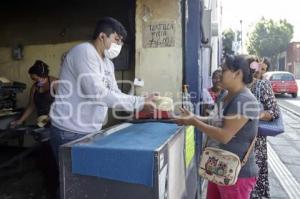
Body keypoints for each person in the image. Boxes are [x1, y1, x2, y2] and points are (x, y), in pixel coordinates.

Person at [49, 17, 155, 162]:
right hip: (69, 131)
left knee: (84, 178)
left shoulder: (108, 64)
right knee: (72, 180)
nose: (119, 45)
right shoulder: (85, 52)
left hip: (90, 130)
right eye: (116, 39)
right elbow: (97, 94)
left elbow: (114, 93)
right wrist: (139, 103)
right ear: (102, 36)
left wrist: (141, 101)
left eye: (121, 42)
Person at [175, 55, 259, 199]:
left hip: (236, 174)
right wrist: (192, 118)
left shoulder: (244, 100)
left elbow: (224, 135)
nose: (219, 75)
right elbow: (214, 121)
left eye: (224, 70)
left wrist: (195, 122)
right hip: (218, 166)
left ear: (238, 74)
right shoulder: (226, 95)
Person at [248, 56, 280, 199]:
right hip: (238, 139)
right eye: (257, 67)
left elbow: (274, 112)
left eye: (263, 70)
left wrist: (258, 114)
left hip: (256, 140)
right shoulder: (239, 83)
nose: (258, 71)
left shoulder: (263, 85)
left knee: (254, 176)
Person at [10, 60, 57, 128]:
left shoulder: (56, 84)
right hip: (43, 120)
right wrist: (19, 121)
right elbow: (31, 105)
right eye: (32, 79)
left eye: (35, 79)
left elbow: (64, 104)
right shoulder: (35, 87)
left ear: (43, 76)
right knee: (40, 134)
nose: (34, 81)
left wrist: (50, 116)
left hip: (57, 121)